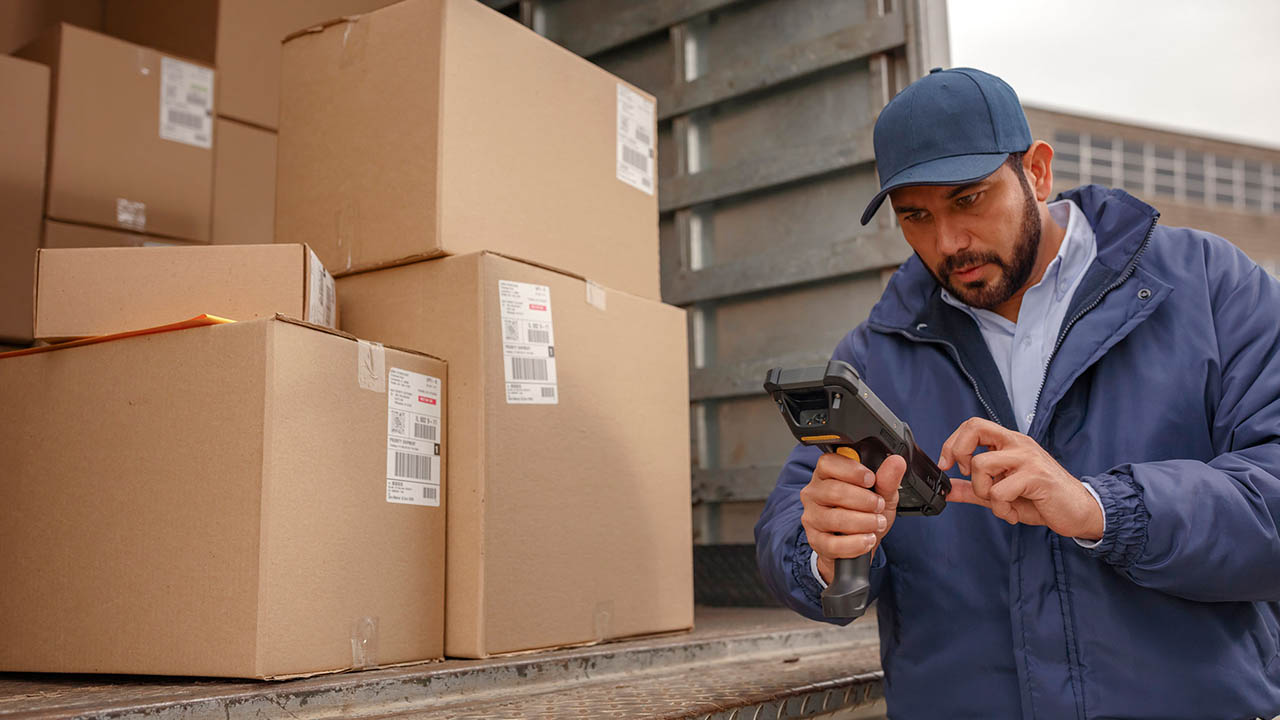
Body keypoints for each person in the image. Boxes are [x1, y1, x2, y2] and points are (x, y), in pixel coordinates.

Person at [754, 67, 1280, 718]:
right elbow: (790, 532)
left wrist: (1100, 508)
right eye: (915, 216)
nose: (947, 242)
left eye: (968, 199)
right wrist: (826, 550)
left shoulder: (1210, 286)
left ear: (1036, 171)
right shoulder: (874, 355)